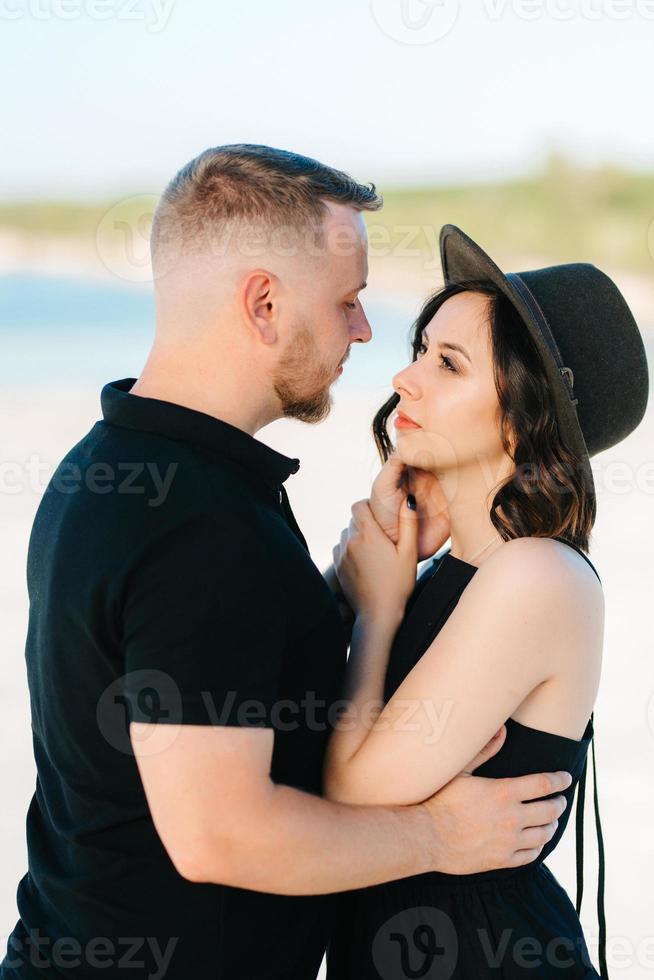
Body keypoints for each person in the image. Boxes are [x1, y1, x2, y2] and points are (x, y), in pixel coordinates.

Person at [1, 150, 574, 980]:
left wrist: (348, 597)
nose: (365, 332)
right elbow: (221, 835)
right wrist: (441, 836)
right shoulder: (196, 522)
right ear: (264, 304)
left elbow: (220, 673)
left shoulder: (128, 468)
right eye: (347, 302)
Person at [324, 224, 649, 979]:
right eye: (419, 351)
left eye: (448, 363)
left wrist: (377, 612)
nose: (406, 379)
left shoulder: (537, 578)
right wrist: (388, 555)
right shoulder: (457, 570)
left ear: (519, 414)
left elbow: (350, 789)